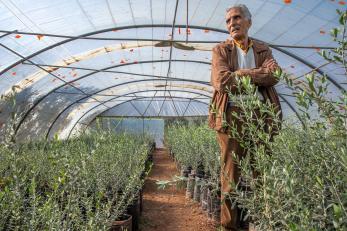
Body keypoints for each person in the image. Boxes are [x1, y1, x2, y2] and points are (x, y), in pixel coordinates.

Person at [208, 4, 282, 231]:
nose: (232, 23)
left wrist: (241, 74)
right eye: (228, 21)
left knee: (263, 174)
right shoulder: (221, 50)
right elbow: (222, 82)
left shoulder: (262, 49)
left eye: (237, 18)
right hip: (231, 118)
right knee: (231, 177)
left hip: (262, 117)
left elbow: (276, 75)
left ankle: (262, 222)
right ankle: (230, 226)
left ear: (249, 22)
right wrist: (258, 75)